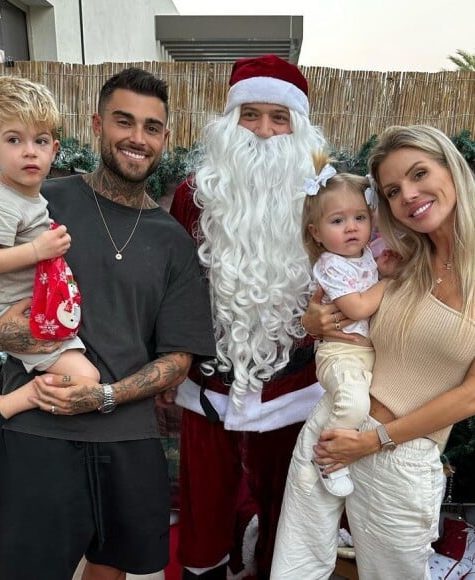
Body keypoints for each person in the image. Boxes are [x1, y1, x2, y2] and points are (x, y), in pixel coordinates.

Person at [0, 67, 216, 580]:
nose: (137, 137)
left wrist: (105, 396)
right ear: (96, 125)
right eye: (123, 121)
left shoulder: (174, 240)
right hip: (39, 427)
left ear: (165, 138)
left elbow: (178, 358)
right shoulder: (44, 200)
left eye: (151, 127)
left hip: (128, 436)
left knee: (111, 570)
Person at [272, 125, 475, 579]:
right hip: (333, 427)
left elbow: (471, 396)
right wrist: (312, 319)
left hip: (396, 456)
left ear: (452, 169)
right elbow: (343, 304)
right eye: (393, 190)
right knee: (295, 567)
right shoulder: (405, 260)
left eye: (420, 174)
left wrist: (371, 442)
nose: (410, 195)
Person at [169, 54, 328, 580]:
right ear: (229, 122)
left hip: (295, 388)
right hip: (209, 389)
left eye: (278, 118)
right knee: (204, 511)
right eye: (251, 115)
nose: (263, 131)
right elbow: (175, 290)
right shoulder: (194, 195)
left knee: (292, 511)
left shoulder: (325, 195)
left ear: (298, 126)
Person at [0, 76, 99, 451]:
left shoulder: (26, 195)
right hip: (6, 308)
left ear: (54, 149)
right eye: (14, 140)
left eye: (39, 141)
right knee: (86, 381)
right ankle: (6, 404)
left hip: (25, 301)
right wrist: (38, 250)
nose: (29, 152)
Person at [300, 154, 399, 496]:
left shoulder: (363, 255)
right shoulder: (330, 265)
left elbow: (367, 283)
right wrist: (389, 283)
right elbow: (356, 307)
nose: (352, 227)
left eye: (359, 217)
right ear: (316, 233)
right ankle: (329, 459)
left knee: (363, 406)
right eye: (338, 221)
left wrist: (382, 271)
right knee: (352, 404)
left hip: (363, 354)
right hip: (340, 354)